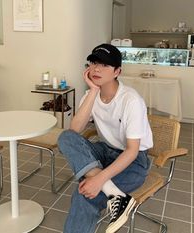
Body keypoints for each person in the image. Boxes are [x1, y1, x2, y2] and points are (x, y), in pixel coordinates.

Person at [58, 43, 153, 233]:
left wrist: (98, 179)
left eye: (104, 65)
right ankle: (116, 195)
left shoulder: (131, 101)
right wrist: (93, 90)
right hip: (105, 151)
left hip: (134, 161)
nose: (96, 69)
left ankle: (109, 191)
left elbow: (132, 151)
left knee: (84, 195)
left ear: (117, 71)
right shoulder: (91, 95)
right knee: (65, 137)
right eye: (93, 63)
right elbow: (75, 129)